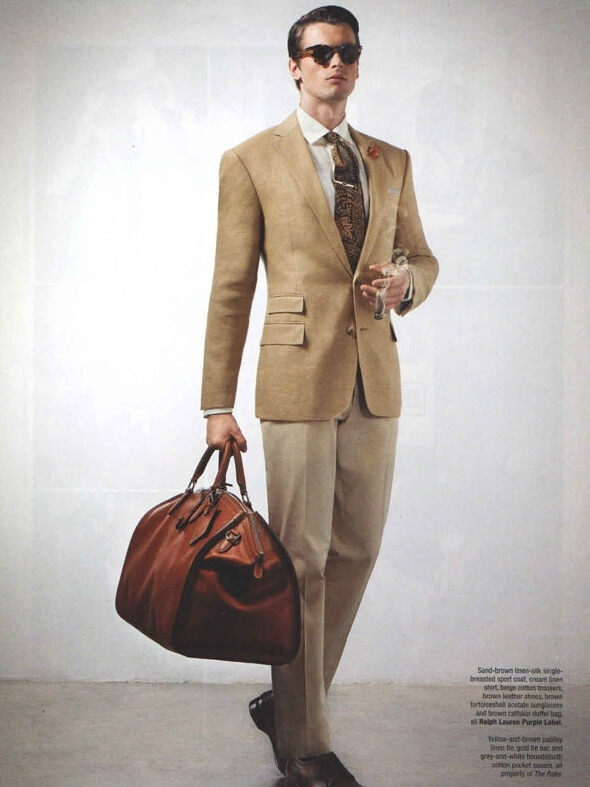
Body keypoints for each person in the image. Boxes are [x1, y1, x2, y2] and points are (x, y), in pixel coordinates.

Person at [201, 6, 438, 786]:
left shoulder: (389, 159)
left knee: (356, 550)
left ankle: (290, 700)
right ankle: (303, 740)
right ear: (295, 66)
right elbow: (231, 289)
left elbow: (424, 258)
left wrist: (406, 284)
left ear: (358, 64)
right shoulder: (251, 160)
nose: (336, 63)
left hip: (374, 377)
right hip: (295, 375)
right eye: (321, 52)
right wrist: (216, 403)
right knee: (300, 558)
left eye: (348, 52)